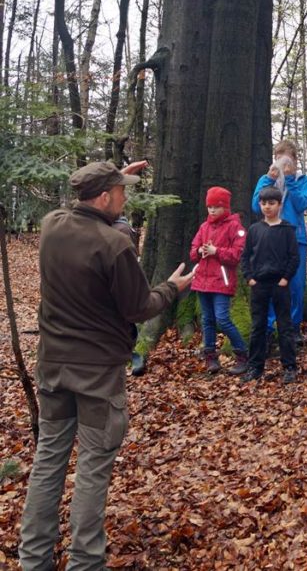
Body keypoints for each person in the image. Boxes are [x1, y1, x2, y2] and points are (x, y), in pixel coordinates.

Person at [18, 162, 194, 570]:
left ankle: (34, 559)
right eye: (119, 192)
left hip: (54, 367)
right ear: (103, 198)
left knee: (48, 461)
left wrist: (111, 173)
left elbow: (75, 199)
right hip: (97, 374)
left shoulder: (51, 226)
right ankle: (85, 563)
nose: (124, 198)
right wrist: (173, 287)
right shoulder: (113, 245)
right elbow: (138, 307)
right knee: (93, 470)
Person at [252, 141, 307, 346]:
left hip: (296, 238)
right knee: (269, 281)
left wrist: (291, 181)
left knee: (296, 285)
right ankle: (268, 328)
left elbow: (302, 204)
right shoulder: (266, 179)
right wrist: (269, 179)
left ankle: (293, 328)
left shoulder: (302, 180)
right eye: (279, 158)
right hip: (270, 237)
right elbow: (255, 206)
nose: (283, 164)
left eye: (287, 159)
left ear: (294, 160)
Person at [240, 186, 300, 384]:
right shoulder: (255, 230)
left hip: (280, 285)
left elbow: (294, 257)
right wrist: (249, 277)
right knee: (258, 326)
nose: (267, 207)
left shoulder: (287, 229)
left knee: (284, 325)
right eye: (264, 203)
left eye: (271, 203)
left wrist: (285, 278)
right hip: (259, 284)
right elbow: (246, 256)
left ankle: (289, 366)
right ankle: (255, 366)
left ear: (279, 205)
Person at [189, 186, 249, 375]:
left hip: (221, 281)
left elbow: (237, 254)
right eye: (210, 207)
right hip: (202, 280)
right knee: (208, 319)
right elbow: (193, 250)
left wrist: (217, 252)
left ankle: (242, 354)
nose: (212, 210)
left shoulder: (234, 226)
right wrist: (199, 251)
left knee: (222, 319)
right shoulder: (204, 227)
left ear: (225, 207)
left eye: (216, 206)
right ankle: (210, 357)